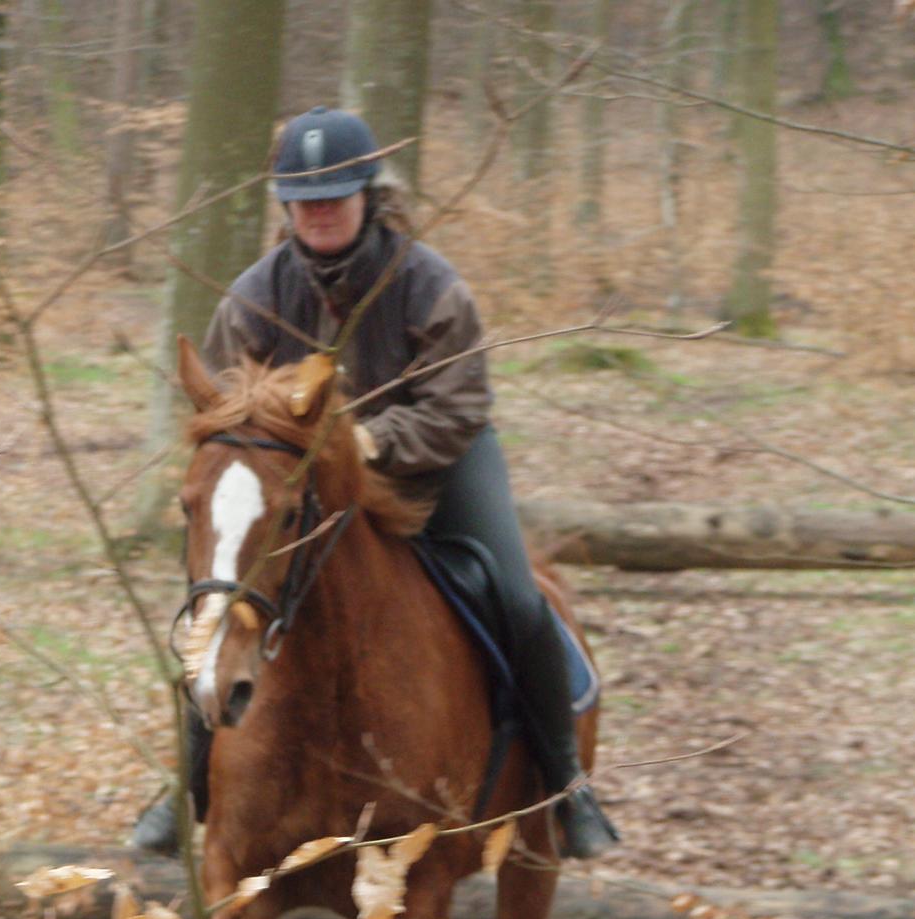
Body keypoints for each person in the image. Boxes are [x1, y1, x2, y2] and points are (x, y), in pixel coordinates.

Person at [133, 105, 618, 859]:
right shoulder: (253, 295)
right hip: (299, 489)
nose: (321, 212)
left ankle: (566, 785)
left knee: (520, 597)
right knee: (217, 601)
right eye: (305, 200)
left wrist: (369, 442)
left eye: (336, 195)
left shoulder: (430, 285)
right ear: (287, 207)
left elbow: (455, 409)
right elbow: (228, 412)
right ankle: (186, 787)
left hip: (434, 466)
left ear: (368, 196)